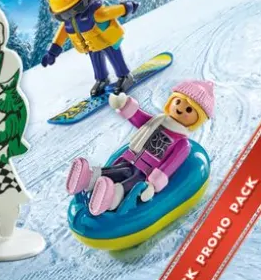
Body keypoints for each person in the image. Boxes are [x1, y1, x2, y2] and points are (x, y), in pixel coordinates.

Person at [66, 80, 214, 215]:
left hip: (146, 172)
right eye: (178, 102)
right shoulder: (158, 121)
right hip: (130, 160)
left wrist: (153, 185)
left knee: (131, 182)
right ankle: (89, 177)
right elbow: (141, 120)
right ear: (171, 102)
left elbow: (169, 166)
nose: (180, 109)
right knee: (119, 170)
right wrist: (125, 105)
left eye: (189, 110)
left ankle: (111, 198)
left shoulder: (182, 143)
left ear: (197, 119)